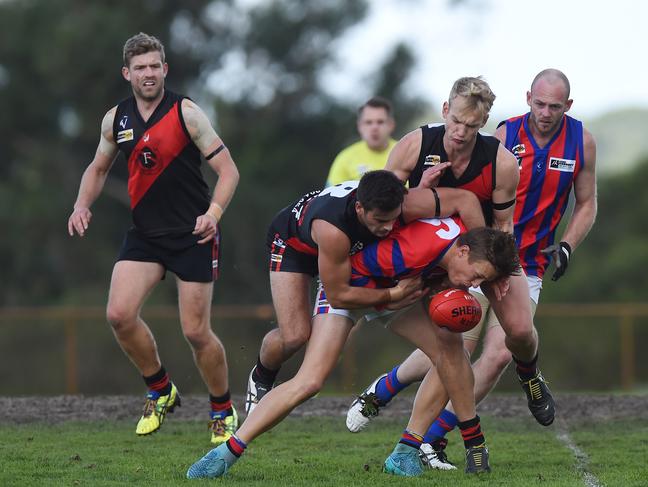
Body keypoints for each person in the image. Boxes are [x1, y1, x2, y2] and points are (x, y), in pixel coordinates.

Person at [346, 69, 597, 471]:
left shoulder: (543, 149)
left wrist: (553, 250)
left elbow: (516, 223)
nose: (462, 133)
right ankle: (418, 438)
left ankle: (529, 375)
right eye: (539, 103)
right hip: (459, 258)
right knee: (454, 345)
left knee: (512, 340)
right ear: (528, 97)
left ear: (567, 106)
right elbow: (388, 205)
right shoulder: (483, 140)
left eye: (555, 106)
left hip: (509, 257)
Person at [186, 199, 521, 479]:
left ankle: (409, 449)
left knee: (451, 353)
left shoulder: (462, 242)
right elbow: (345, 290)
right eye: (477, 276)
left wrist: (464, 283)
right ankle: (226, 452)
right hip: (353, 290)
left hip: (396, 289)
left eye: (482, 281)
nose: (475, 285)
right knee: (310, 381)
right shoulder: (406, 253)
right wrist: (392, 296)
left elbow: (462, 207)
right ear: (462, 252)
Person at [67, 33, 240, 445]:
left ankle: (222, 409)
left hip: (193, 235)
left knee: (196, 332)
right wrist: (81, 205)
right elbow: (97, 168)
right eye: (140, 67)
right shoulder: (116, 120)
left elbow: (229, 172)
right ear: (127, 73)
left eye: (154, 66)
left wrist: (213, 215)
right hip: (145, 236)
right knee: (118, 315)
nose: (148, 73)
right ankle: (161, 389)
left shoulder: (187, 113)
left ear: (165, 69)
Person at [243, 170, 485, 415]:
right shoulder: (333, 229)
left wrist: (480, 254)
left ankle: (424, 436)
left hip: (347, 255)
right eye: (380, 221)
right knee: (294, 336)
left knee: (449, 355)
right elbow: (338, 296)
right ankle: (262, 375)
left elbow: (465, 200)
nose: (389, 226)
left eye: (393, 218)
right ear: (360, 208)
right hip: (294, 246)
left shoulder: (405, 202)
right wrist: (392, 295)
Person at [325, 97, 397, 186]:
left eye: (380, 122)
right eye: (368, 122)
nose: (374, 128)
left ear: (391, 125)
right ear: (359, 126)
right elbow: (331, 196)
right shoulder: (345, 158)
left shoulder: (406, 153)